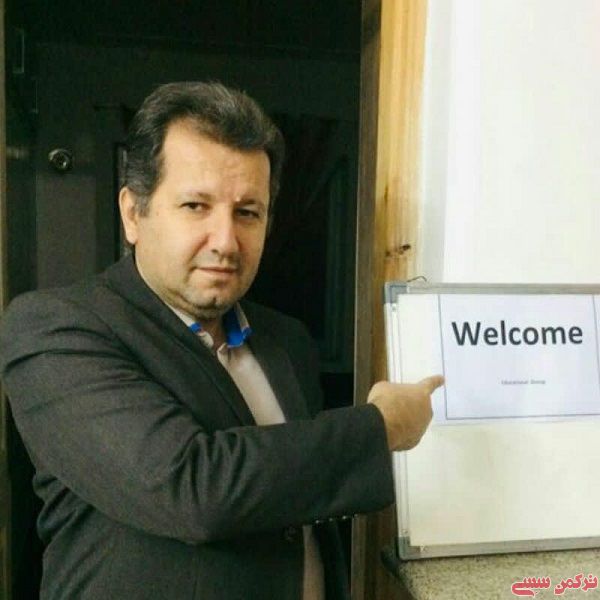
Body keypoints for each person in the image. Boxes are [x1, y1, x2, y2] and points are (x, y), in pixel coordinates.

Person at [0, 82, 443, 600]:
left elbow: (295, 493)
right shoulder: (55, 329)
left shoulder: (287, 340)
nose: (226, 241)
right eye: (195, 206)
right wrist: (382, 426)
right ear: (133, 214)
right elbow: (191, 490)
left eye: (248, 212)